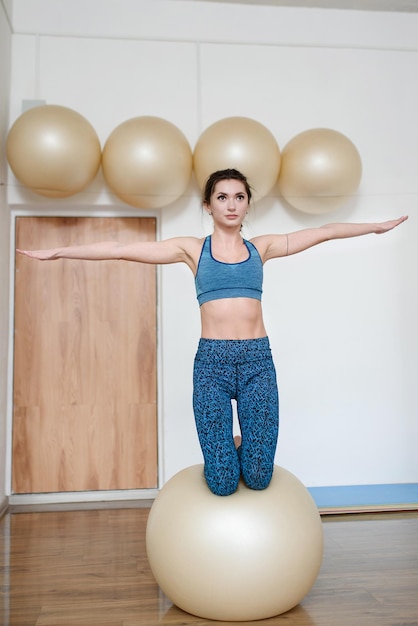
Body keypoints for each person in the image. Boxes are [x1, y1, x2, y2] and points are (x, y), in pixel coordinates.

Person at [17, 168, 408, 497]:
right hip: (212, 366)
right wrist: (59, 252)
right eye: (222, 197)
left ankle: (240, 445)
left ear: (247, 204)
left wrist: (374, 227)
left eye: (239, 197)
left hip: (257, 362)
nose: (232, 204)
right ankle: (226, 450)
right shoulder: (192, 249)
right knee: (222, 483)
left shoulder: (263, 247)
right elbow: (121, 248)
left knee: (257, 477)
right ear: (209, 205)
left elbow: (323, 231)